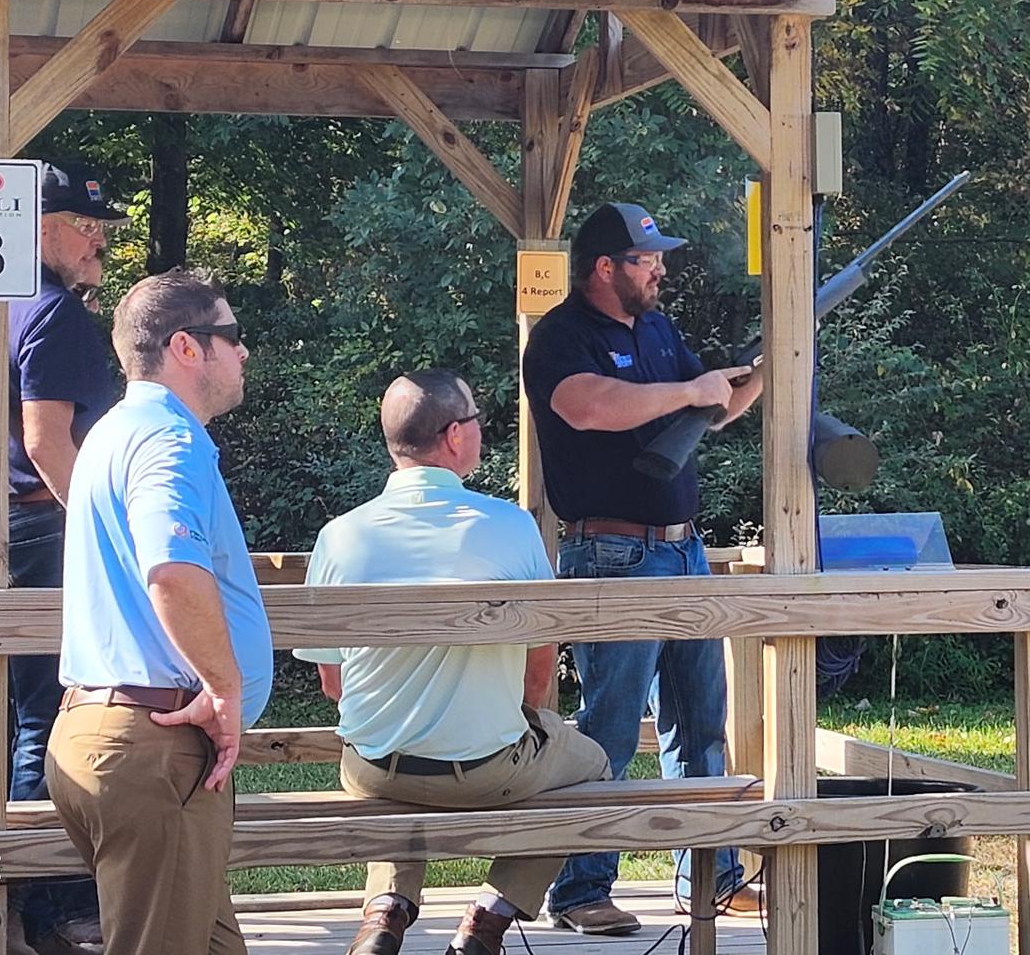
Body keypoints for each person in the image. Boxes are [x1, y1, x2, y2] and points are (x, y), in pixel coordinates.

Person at [294, 369, 612, 955]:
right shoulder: (511, 528)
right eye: (476, 419)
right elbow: (539, 668)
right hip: (488, 771)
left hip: (375, 768)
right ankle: (490, 914)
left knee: (394, 771)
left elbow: (332, 684)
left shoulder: (340, 536)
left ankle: (386, 908)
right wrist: (507, 714)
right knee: (593, 766)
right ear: (455, 436)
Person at [522, 203, 765, 936]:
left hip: (684, 548)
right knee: (610, 729)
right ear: (606, 268)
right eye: (647, 258)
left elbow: (713, 408)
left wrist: (760, 372)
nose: (660, 269)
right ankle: (579, 889)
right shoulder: (560, 336)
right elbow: (590, 407)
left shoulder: (657, 330)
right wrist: (693, 390)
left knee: (701, 724)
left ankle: (710, 877)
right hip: (612, 552)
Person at [44, 269, 272, 955]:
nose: (244, 350)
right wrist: (225, 689)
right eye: (231, 334)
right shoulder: (169, 440)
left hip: (107, 733)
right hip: (154, 747)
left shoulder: (112, 432)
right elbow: (171, 569)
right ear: (186, 347)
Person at [0, 161, 124, 954]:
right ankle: (50, 911)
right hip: (39, 531)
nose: (101, 244)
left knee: (2, 719)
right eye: (90, 228)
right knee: (47, 720)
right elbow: (49, 443)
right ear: (42, 228)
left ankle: (4, 913)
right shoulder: (55, 314)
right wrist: (106, 532)